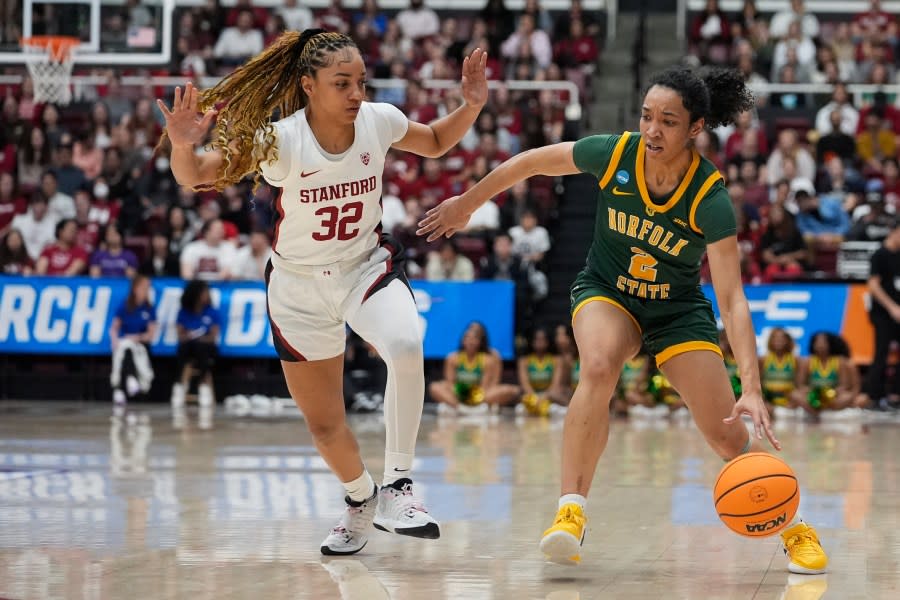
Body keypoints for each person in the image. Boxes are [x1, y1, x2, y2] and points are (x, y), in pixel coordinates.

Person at [417, 65, 829, 573]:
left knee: (725, 434)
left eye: (668, 121)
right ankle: (570, 511)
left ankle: (796, 527)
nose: (652, 130)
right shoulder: (615, 153)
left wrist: (752, 384)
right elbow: (529, 163)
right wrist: (467, 204)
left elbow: (734, 298)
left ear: (695, 128)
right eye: (646, 116)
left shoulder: (711, 197)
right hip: (608, 291)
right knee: (597, 366)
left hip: (677, 311)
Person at [157, 29, 489, 554]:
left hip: (364, 269)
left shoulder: (378, 120)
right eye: (343, 83)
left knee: (405, 345)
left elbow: (435, 141)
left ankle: (400, 485)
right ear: (309, 86)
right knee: (325, 425)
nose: (357, 93)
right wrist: (181, 142)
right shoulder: (278, 140)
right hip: (298, 288)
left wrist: (469, 107)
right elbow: (195, 175)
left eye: (360, 81)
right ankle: (361, 500)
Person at [428, 321, 520, 414]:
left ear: (480, 341)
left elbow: (486, 386)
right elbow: (450, 383)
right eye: (468, 338)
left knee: (510, 390)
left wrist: (474, 397)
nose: (471, 341)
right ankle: (461, 408)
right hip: (458, 394)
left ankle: (468, 407)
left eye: (475, 338)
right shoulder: (452, 358)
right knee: (435, 387)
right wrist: (462, 394)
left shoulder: (488, 359)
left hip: (479, 395)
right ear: (463, 340)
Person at [861, 221, 900, 408]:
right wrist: (892, 307)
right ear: (893, 231)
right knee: (881, 353)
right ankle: (874, 396)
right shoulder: (879, 255)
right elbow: (873, 285)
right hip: (883, 313)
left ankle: (896, 395)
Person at [173, 279, 221, 414]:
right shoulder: (184, 312)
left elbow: (213, 336)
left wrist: (201, 338)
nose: (206, 295)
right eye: (204, 292)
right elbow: (180, 335)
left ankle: (203, 386)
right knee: (184, 348)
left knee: (202, 349)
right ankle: (180, 386)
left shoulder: (212, 311)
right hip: (189, 346)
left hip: (206, 346)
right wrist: (189, 336)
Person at [109, 274, 157, 410]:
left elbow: (151, 335)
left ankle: (120, 388)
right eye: (144, 287)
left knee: (129, 348)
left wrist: (138, 337)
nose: (147, 290)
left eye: (148, 288)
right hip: (125, 343)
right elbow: (114, 328)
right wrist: (114, 341)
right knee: (125, 348)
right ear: (135, 288)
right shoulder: (125, 306)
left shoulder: (149, 308)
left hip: (141, 344)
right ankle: (129, 379)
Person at [791, 332, 863, 416]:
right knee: (795, 394)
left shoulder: (840, 361)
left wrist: (830, 393)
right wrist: (813, 392)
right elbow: (800, 384)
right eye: (817, 342)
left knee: (847, 396)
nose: (820, 345)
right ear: (813, 344)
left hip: (833, 396)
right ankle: (817, 413)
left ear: (830, 344)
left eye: (823, 342)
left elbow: (844, 385)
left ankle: (823, 410)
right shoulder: (807, 362)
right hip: (813, 395)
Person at [516, 327, 560, 417]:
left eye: (543, 339)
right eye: (537, 339)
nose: (540, 342)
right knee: (522, 399)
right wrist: (535, 398)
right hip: (531, 395)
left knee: (558, 394)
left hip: (550, 395)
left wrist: (545, 397)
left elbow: (555, 384)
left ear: (548, 341)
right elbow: (525, 384)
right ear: (531, 341)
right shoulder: (524, 360)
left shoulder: (556, 360)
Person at [760, 327, 799, 418]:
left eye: (782, 338)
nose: (779, 341)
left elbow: (799, 384)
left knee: (798, 395)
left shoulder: (796, 360)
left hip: (788, 398)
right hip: (768, 398)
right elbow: (759, 382)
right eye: (775, 338)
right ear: (770, 341)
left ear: (788, 341)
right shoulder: (763, 360)